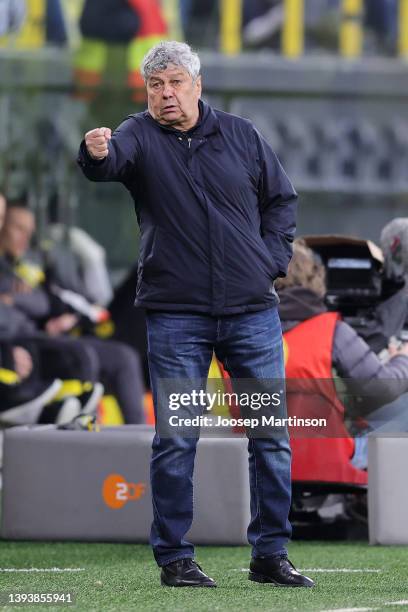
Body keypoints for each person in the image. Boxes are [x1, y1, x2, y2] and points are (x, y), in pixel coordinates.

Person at [77, 40, 314, 589]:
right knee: (178, 437)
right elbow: (108, 164)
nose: (166, 94)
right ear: (148, 92)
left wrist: (270, 262)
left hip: (251, 308)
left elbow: (282, 201)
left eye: (176, 82)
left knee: (270, 435)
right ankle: (175, 558)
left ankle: (270, 554)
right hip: (177, 314)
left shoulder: (242, 134)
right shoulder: (135, 134)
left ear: (197, 85)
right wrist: (93, 152)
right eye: (156, 86)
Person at [0, 202, 146, 424]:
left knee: (125, 357)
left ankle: (141, 440)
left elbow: (45, 302)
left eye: (28, 231)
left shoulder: (24, 266)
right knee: (80, 356)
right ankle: (84, 437)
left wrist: (16, 299)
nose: (24, 238)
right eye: (17, 228)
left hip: (49, 335)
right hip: (24, 341)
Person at [276, 239, 408, 471]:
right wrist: (402, 358)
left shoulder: (242, 334)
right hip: (328, 459)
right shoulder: (329, 331)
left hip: (258, 462)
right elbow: (383, 387)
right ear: (315, 278)